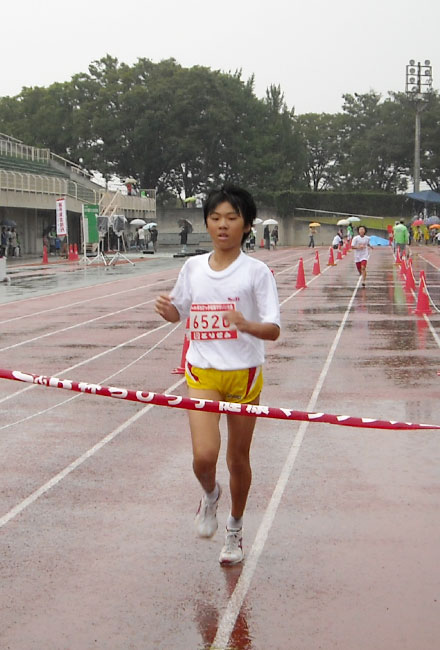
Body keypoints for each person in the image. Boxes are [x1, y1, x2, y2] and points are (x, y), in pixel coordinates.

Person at [154, 185, 280, 566]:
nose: (223, 225)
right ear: (206, 223)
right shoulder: (193, 267)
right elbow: (180, 311)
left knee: (238, 459)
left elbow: (273, 329)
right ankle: (210, 495)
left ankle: (236, 527)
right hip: (203, 371)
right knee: (203, 456)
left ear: (246, 225)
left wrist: (246, 324)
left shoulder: (256, 272)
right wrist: (168, 310)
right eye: (215, 218)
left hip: (242, 375)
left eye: (231, 218)